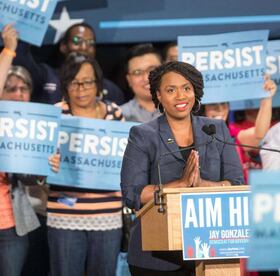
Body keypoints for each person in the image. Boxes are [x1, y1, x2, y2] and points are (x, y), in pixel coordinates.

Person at [121, 61, 244, 275]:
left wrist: (201, 185)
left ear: (195, 91)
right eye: (171, 90)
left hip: (211, 253)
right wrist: (180, 185)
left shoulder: (216, 129)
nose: (181, 96)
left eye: (186, 88)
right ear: (159, 95)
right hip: (156, 258)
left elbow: (236, 183)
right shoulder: (143, 135)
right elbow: (133, 193)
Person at [46, 53, 124, 276]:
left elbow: (122, 161)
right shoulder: (55, 114)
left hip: (107, 215)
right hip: (65, 214)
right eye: (74, 82)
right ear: (65, 85)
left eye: (87, 82)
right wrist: (47, 164)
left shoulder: (114, 113)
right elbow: (39, 169)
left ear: (98, 84)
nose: (81, 89)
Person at [0, 25, 60, 276]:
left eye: (23, 88)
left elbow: (32, 177)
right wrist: (9, 51)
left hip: (12, 224)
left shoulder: (36, 125)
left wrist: (46, 166)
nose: (18, 94)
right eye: (10, 88)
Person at [14, 23, 125, 105]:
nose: (84, 47)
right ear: (63, 46)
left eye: (90, 43)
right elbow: (22, 65)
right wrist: (21, 34)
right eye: (77, 41)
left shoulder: (111, 90)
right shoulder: (46, 75)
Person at [203, 76, 277, 181]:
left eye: (224, 104)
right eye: (212, 104)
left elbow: (259, 135)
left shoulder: (232, 134)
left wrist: (266, 98)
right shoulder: (190, 134)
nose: (220, 109)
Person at [121, 44, 162, 122]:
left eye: (152, 70)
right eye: (137, 72)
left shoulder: (183, 109)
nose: (146, 78)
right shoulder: (119, 116)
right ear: (129, 80)